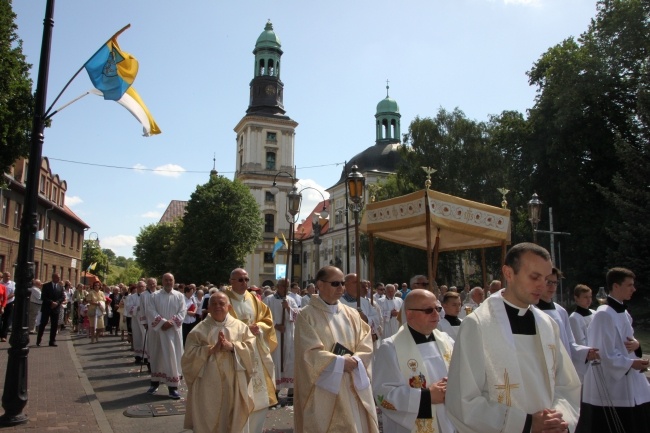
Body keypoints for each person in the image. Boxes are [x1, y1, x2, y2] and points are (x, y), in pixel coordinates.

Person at [445, 242, 581, 433]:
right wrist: (527, 423)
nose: (542, 286)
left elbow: (567, 384)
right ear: (508, 273)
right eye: (535, 277)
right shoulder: (478, 325)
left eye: (547, 279)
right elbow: (462, 401)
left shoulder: (547, 324)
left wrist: (558, 420)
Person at [294, 265, 379, 433]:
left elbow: (365, 340)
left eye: (342, 283)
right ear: (320, 284)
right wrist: (339, 362)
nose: (341, 288)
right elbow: (308, 351)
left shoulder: (351, 313)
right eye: (335, 284)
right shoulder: (306, 315)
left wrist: (356, 359)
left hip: (353, 379)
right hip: (325, 388)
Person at [576, 267, 650, 433]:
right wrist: (631, 363)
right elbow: (603, 353)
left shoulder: (623, 312)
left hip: (629, 381)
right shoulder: (604, 314)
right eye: (629, 285)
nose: (634, 289)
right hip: (612, 386)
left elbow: (628, 342)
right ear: (616, 286)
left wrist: (637, 347)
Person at [373, 289, 455, 433]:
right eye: (429, 310)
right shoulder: (390, 348)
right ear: (409, 314)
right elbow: (383, 395)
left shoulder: (447, 341)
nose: (436, 314)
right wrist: (426, 397)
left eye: (438, 308)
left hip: (451, 421)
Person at [182, 292, 256, 433]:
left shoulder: (240, 327)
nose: (217, 307)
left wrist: (233, 346)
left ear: (228, 306)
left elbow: (252, 349)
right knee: (208, 417)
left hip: (234, 380)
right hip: (207, 383)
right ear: (208, 308)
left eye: (221, 303)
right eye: (213, 304)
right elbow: (188, 356)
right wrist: (210, 350)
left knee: (232, 416)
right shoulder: (199, 330)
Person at [224, 268, 277, 433]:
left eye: (246, 279)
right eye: (240, 280)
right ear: (231, 281)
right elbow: (217, 322)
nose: (244, 283)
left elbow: (267, 318)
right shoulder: (224, 300)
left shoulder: (253, 299)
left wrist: (258, 327)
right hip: (233, 353)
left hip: (253, 351)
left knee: (258, 397)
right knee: (237, 398)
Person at [537, 268, 597, 381]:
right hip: (540, 369)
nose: (552, 286)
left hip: (560, 368)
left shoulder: (560, 311)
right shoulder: (530, 309)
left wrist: (585, 352)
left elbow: (569, 343)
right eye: (548, 282)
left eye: (555, 283)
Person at [145, 273, 186, 399]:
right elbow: (150, 310)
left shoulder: (179, 296)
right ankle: (154, 383)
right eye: (166, 280)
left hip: (173, 332)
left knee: (172, 357)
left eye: (171, 280)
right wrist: (162, 322)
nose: (168, 282)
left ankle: (173, 387)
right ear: (162, 281)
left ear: (174, 281)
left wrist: (171, 322)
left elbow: (183, 311)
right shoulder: (154, 296)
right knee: (157, 356)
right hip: (158, 332)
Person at [263, 277, 299, 402]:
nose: (286, 289)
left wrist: (288, 308)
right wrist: (275, 325)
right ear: (278, 286)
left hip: (288, 335)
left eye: (288, 286)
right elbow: (263, 318)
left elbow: (297, 316)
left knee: (289, 359)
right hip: (275, 335)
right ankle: (275, 389)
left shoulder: (291, 300)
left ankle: (291, 388)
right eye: (283, 286)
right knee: (276, 360)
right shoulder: (269, 300)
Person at [341, 273, 381, 344]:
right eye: (354, 282)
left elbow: (376, 319)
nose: (358, 285)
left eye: (359, 282)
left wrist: (366, 319)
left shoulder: (364, 302)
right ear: (345, 285)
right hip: (346, 341)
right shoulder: (339, 302)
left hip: (364, 341)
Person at [36, 272, 66, 347]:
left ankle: (52, 341)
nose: (59, 279)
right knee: (43, 324)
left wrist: (57, 303)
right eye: (57, 277)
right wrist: (51, 302)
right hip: (47, 308)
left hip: (56, 308)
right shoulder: (46, 286)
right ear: (53, 278)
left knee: (54, 325)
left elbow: (62, 297)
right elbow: (43, 297)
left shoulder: (60, 287)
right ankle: (38, 340)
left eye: (59, 277)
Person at [0, 272, 15, 342]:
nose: (8, 278)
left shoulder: (12, 284)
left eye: (9, 276)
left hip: (9, 303)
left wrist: (5, 298)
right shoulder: (1, 283)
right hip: (1, 303)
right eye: (6, 276)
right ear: (3, 277)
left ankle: (4, 335)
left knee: (7, 320)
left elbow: (13, 293)